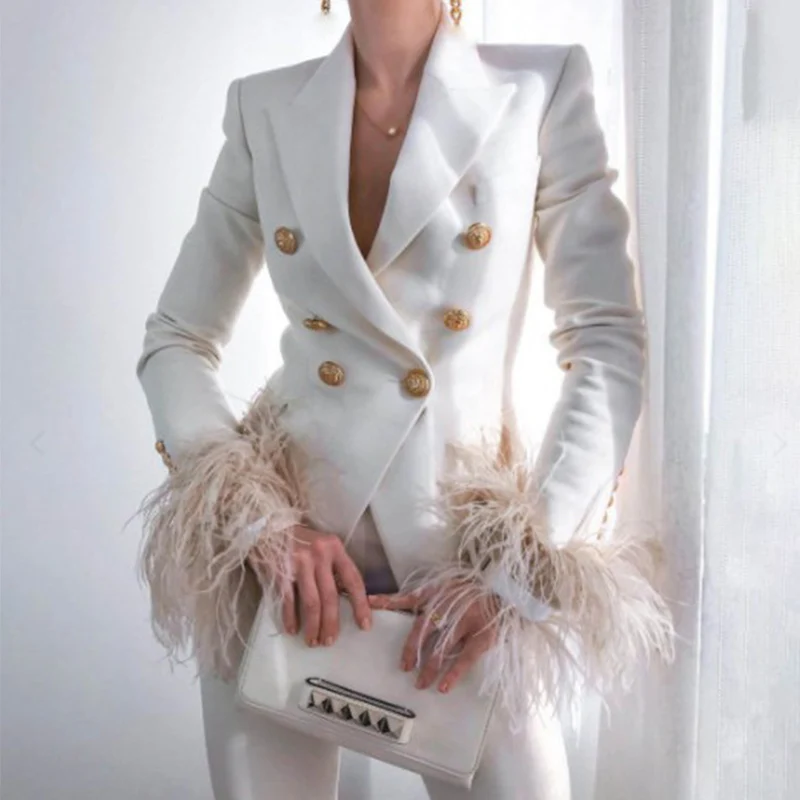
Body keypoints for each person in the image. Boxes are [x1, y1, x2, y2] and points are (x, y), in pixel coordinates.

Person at [134, 1, 676, 798]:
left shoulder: (539, 86)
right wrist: (257, 524)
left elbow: (604, 339)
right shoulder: (265, 106)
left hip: (466, 574)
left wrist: (519, 574)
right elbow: (176, 337)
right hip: (288, 577)